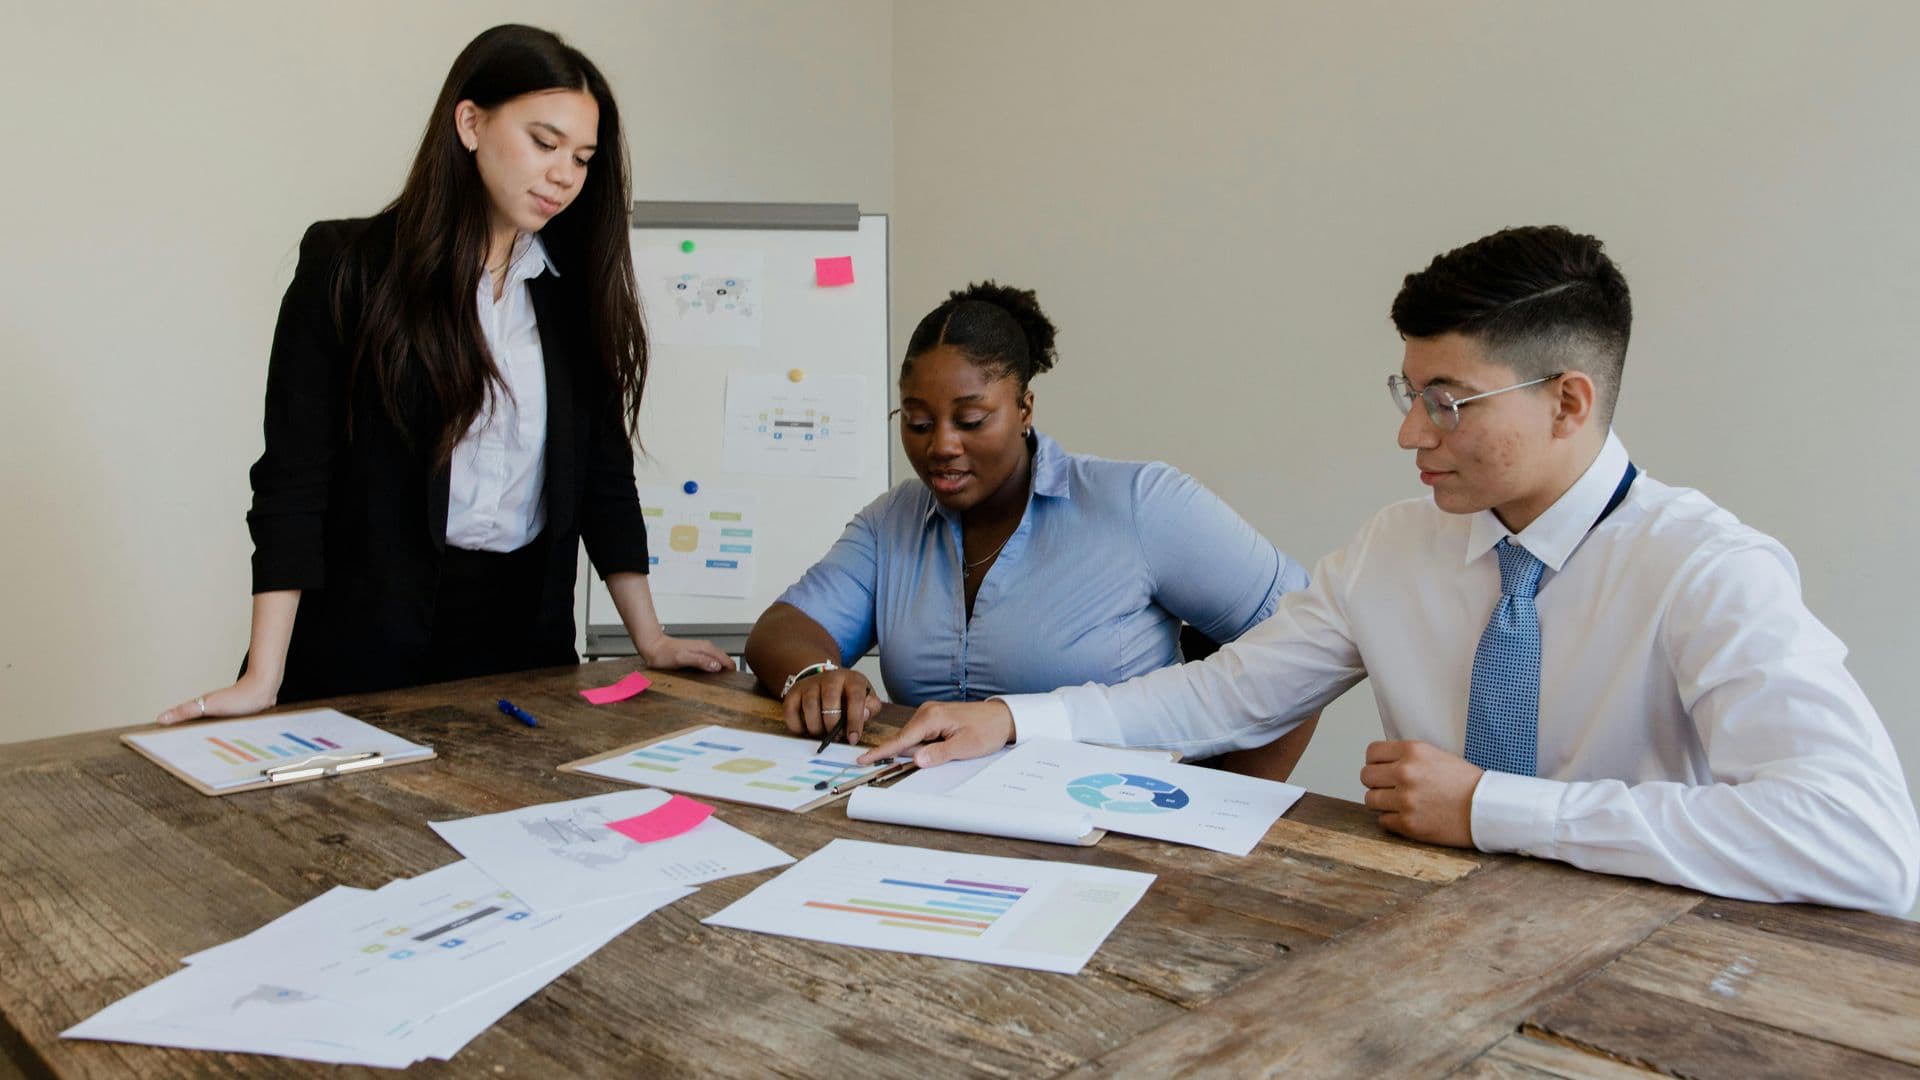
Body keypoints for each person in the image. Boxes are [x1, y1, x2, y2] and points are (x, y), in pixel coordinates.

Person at [864, 227, 1920, 915]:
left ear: (1568, 402)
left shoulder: (1706, 570)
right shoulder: (1394, 549)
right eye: (1406, 391)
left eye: (1449, 400)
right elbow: (1225, 695)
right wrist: (1017, 720)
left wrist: (1493, 808)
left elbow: (1864, 843)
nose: (1412, 431)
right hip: (1418, 935)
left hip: (1652, 960)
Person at [157, 25, 729, 725]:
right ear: (469, 122)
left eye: (582, 158)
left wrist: (652, 638)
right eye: (543, 143)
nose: (564, 175)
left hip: (524, 653)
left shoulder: (570, 293)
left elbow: (603, 477)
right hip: (360, 649)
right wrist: (263, 675)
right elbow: (293, 479)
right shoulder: (350, 268)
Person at [745, 282, 1317, 777]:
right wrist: (816, 673)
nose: (941, 445)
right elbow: (783, 628)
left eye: (971, 420)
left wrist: (1228, 811)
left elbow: (1306, 641)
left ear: (1024, 408)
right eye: (918, 422)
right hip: (936, 830)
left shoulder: (1139, 504)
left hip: (1118, 835)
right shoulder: (893, 522)